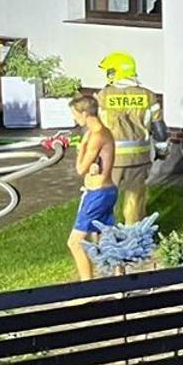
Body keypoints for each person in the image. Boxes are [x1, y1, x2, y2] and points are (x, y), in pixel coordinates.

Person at [96, 51, 165, 225]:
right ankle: (133, 234)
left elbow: (96, 127)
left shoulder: (104, 96)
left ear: (114, 72)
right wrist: (162, 149)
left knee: (105, 196)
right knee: (135, 198)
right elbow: (159, 127)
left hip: (112, 157)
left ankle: (105, 234)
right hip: (139, 157)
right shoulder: (148, 96)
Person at [67, 94, 117, 281]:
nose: (74, 118)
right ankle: (118, 282)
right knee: (105, 239)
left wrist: (81, 150)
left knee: (75, 242)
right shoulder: (100, 132)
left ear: (85, 113)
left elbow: (80, 168)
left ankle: (87, 288)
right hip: (104, 191)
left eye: (75, 114)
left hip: (98, 194)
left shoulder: (96, 136)